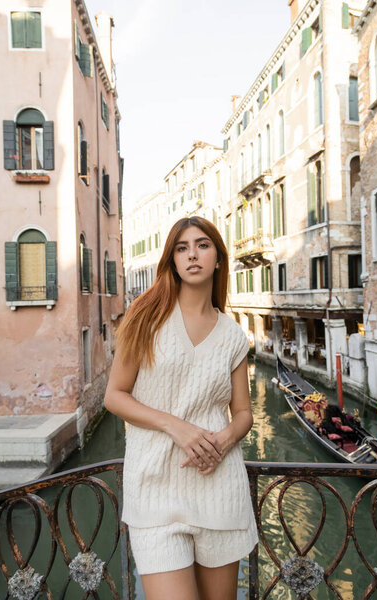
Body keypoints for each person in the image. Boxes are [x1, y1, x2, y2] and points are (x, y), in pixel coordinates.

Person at [104, 216, 259, 600]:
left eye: (203, 245)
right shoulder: (145, 317)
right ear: (172, 259)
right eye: (182, 247)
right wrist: (176, 426)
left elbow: (243, 413)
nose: (192, 255)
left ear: (219, 259)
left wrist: (223, 440)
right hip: (155, 491)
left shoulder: (233, 335)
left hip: (218, 487)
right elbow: (115, 395)